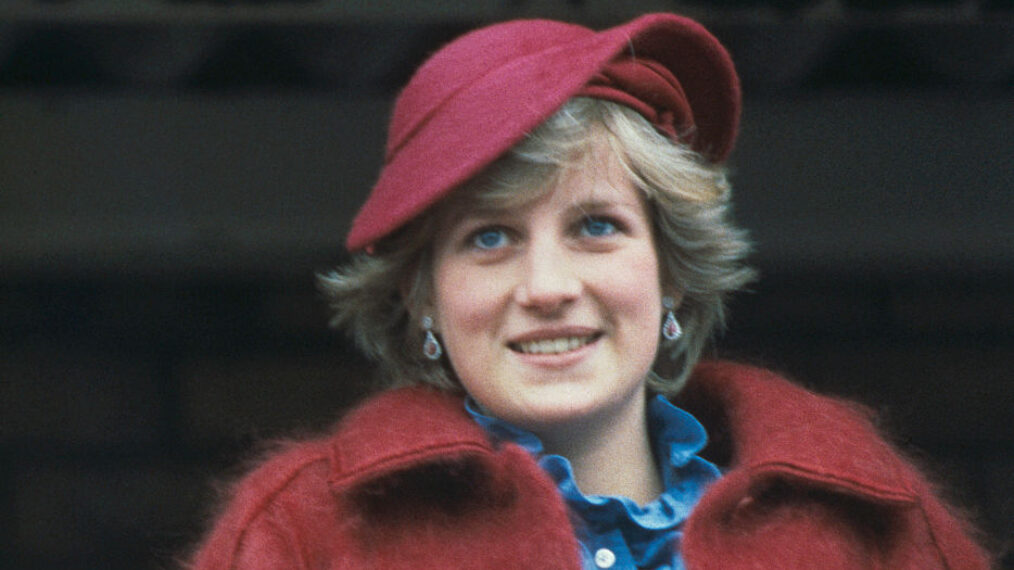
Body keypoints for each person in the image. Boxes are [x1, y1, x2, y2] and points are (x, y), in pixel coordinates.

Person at [185, 13, 992, 570]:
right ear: (421, 297)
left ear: (669, 270)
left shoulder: (870, 526)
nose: (547, 287)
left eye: (596, 227)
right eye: (489, 238)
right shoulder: (302, 532)